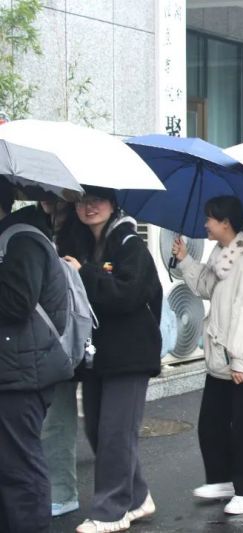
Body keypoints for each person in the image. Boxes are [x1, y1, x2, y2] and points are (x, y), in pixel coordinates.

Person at [64, 186, 162, 533]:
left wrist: (86, 273)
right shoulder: (81, 243)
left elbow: (129, 294)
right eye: (82, 200)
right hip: (97, 356)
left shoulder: (129, 244)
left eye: (97, 200)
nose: (89, 207)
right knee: (96, 430)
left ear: (113, 203)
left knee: (115, 433)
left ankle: (110, 511)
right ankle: (136, 497)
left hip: (130, 355)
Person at [174, 196, 243, 515]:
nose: (205, 225)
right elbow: (205, 286)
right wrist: (186, 260)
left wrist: (240, 360)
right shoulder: (223, 256)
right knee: (211, 424)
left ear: (225, 223)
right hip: (221, 361)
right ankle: (222, 480)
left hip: (241, 363)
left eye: (210, 219)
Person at [0, 178, 73, 533]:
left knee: (20, 473)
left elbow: (16, 302)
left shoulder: (22, 240)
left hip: (21, 375)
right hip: (13, 370)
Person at [38, 200, 83, 518]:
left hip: (61, 341)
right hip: (43, 341)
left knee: (57, 423)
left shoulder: (76, 235)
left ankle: (64, 493)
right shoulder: (37, 226)